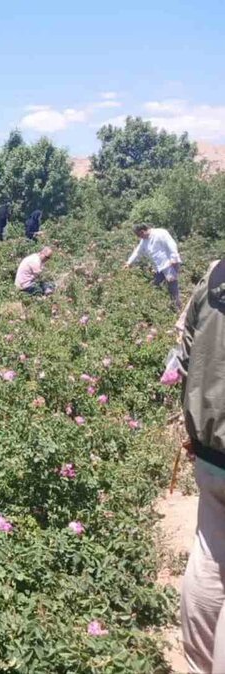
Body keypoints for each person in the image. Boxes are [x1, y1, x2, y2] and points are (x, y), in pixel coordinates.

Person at [176, 258, 225, 673]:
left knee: (210, 555)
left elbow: (186, 354)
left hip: (210, 452)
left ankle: (199, 664)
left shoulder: (213, 276)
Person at [124, 223, 182, 310]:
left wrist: (174, 259)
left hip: (169, 264)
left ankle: (177, 308)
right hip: (159, 268)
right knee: (154, 284)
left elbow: (171, 244)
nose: (139, 238)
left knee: (172, 287)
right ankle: (157, 305)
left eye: (139, 235)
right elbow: (137, 252)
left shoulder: (160, 233)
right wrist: (129, 263)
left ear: (142, 231)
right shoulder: (144, 241)